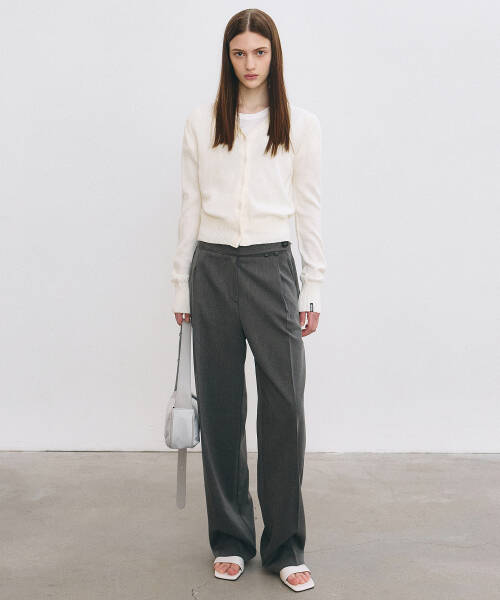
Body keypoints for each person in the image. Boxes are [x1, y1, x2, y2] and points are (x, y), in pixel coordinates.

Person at [171, 8, 326, 593]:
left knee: (284, 409)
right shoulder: (202, 121)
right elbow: (190, 205)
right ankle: (231, 539)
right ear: (227, 57)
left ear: (273, 56)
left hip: (272, 268)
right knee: (221, 409)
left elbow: (309, 207)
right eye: (239, 53)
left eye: (259, 52)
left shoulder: (300, 125)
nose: (250, 63)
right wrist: (179, 283)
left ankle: (284, 545)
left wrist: (314, 283)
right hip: (211, 268)